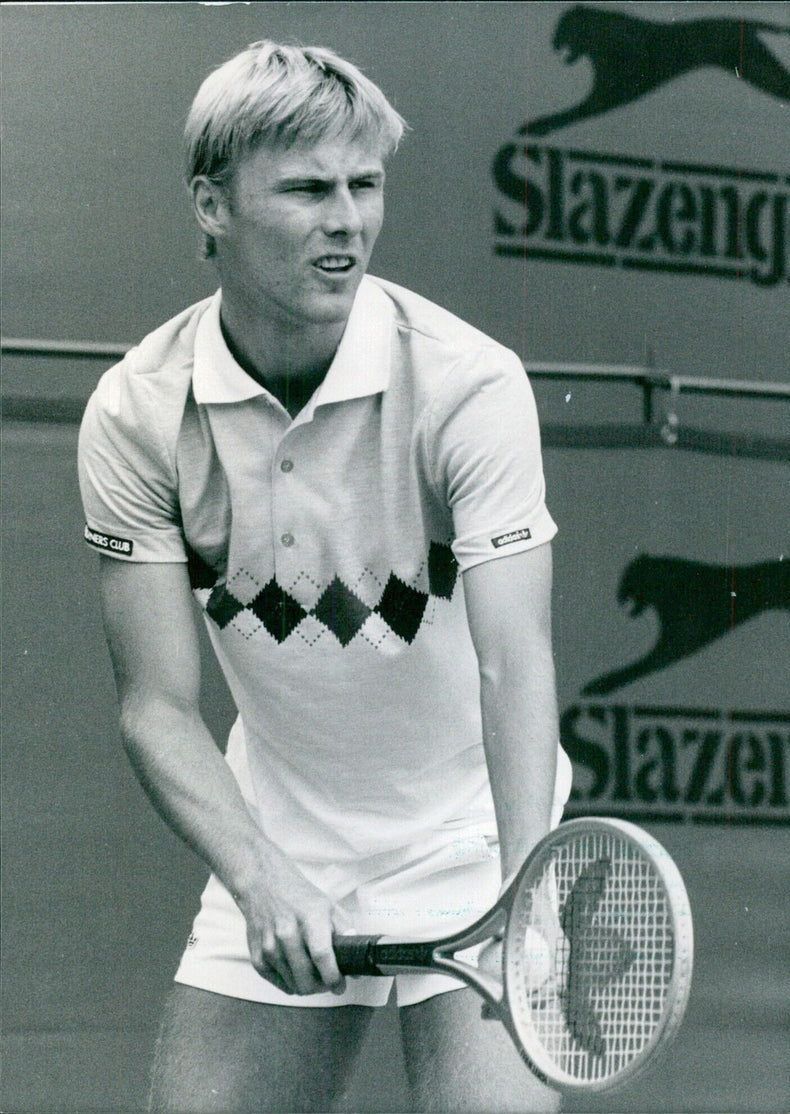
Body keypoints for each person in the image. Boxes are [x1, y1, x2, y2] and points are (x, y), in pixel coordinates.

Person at [78, 39, 572, 1113]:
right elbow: (155, 707)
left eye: (365, 184)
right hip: (282, 835)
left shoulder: (468, 385)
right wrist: (261, 875)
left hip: (475, 837)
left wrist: (523, 885)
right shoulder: (134, 412)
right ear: (211, 205)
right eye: (306, 189)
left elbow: (511, 663)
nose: (346, 218)